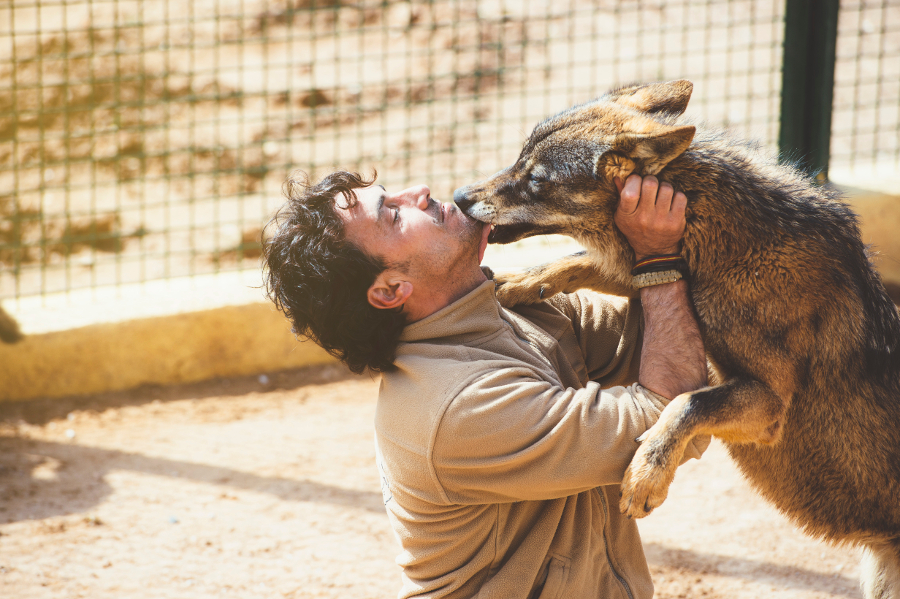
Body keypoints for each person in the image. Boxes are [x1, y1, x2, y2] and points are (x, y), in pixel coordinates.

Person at [263, 169, 708, 599]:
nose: (418, 191)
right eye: (394, 215)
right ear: (390, 289)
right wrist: (657, 257)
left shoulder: (505, 311)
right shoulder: (459, 407)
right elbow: (672, 414)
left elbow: (673, 336)